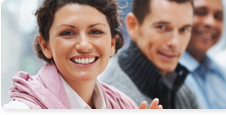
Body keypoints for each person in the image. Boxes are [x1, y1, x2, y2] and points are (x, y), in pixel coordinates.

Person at [3, 0, 161, 109]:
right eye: (68, 33)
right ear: (45, 45)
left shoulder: (124, 105)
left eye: (96, 32)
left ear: (112, 44)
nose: (84, 45)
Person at [98, 0, 199, 109]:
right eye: (162, 27)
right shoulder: (110, 96)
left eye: (184, 30)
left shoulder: (181, 90)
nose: (175, 43)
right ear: (133, 25)